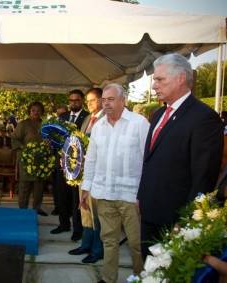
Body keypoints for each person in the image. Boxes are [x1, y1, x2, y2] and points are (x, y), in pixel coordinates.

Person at [137, 53, 224, 259]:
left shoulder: (204, 118)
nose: (154, 86)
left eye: (159, 79)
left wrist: (186, 221)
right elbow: (150, 161)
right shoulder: (158, 114)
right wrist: (142, 197)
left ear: (181, 78)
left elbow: (204, 176)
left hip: (175, 219)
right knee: (147, 267)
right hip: (149, 212)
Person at [81, 84, 149, 283]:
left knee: (136, 243)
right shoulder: (98, 126)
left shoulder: (139, 123)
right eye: (104, 100)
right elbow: (91, 159)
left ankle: (141, 277)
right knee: (108, 240)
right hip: (103, 193)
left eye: (111, 99)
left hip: (131, 196)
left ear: (123, 101)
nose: (106, 103)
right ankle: (108, 278)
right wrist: (86, 187)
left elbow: (148, 159)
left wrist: (143, 194)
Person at [68, 88, 104, 264]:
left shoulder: (106, 119)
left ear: (102, 100)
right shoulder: (89, 119)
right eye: (88, 101)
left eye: (92, 100)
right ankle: (86, 244)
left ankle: (97, 250)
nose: (89, 104)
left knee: (96, 213)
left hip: (98, 174)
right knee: (85, 210)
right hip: (83, 173)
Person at [51, 89, 89, 241]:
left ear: (82, 101)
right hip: (61, 163)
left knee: (75, 199)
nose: (74, 103)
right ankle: (63, 224)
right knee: (61, 195)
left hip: (78, 166)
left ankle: (77, 229)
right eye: (71, 100)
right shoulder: (62, 117)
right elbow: (56, 136)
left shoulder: (88, 117)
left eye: (77, 100)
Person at [11, 101, 48, 216]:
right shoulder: (23, 124)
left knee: (39, 186)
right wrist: (23, 148)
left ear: (42, 111)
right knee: (24, 186)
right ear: (29, 111)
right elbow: (14, 139)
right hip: (26, 159)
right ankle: (22, 209)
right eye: (33, 110)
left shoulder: (45, 125)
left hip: (40, 160)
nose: (36, 112)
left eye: (38, 110)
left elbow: (50, 139)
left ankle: (37, 207)